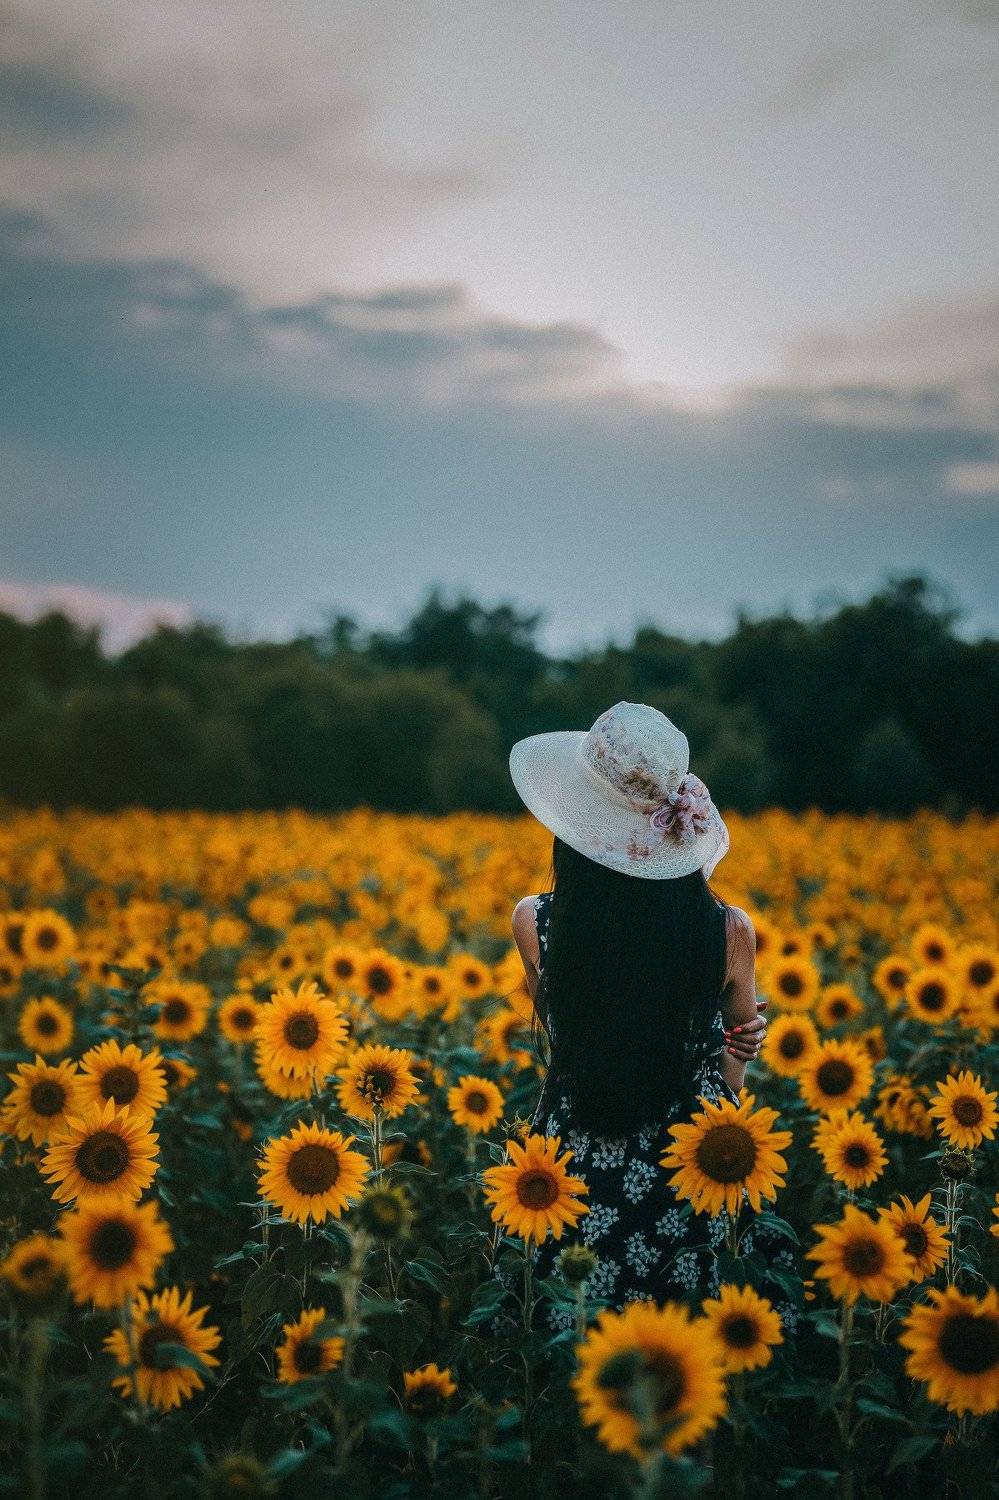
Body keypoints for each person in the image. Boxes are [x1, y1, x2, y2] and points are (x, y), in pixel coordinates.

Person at [498, 700, 801, 1332]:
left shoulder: (537, 921)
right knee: (686, 1348)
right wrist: (734, 1048)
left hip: (571, 1162)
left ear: (576, 827)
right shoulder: (729, 932)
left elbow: (565, 1031)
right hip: (690, 1164)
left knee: (568, 1334)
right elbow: (733, 1070)